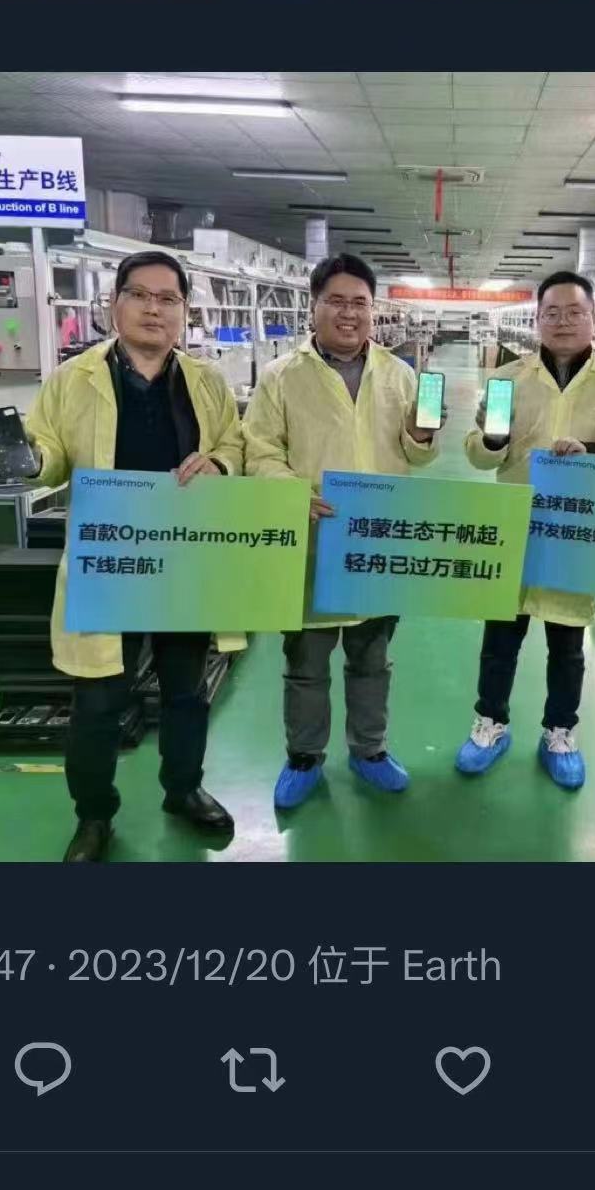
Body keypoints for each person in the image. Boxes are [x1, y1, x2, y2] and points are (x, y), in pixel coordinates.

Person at [25, 250, 244, 863]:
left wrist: (220, 462)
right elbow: (48, 449)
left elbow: (234, 443)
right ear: (113, 304)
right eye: (140, 295)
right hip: (110, 563)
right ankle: (94, 815)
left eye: (168, 299)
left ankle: (183, 788)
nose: (154, 309)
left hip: (184, 559)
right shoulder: (73, 379)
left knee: (185, 691)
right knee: (98, 701)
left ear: (184, 311)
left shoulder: (206, 381)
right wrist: (32, 459)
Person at [243, 251, 441, 809]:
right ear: (315, 307)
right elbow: (259, 450)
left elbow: (419, 456)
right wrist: (291, 492)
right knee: (305, 663)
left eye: (360, 303)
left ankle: (369, 750)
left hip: (378, 544)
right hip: (311, 542)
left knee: (372, 659)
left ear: (373, 310)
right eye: (336, 301)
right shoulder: (281, 377)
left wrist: (422, 436)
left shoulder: (401, 375)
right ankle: (304, 756)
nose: (349, 313)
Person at [455, 272, 595, 789]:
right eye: (552, 313)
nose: (563, 322)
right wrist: (492, 440)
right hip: (515, 527)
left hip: (576, 533)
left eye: (574, 312)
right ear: (538, 320)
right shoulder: (507, 380)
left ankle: (560, 731)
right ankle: (489, 723)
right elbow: (476, 456)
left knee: (568, 643)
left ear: (594, 319)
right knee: (500, 638)